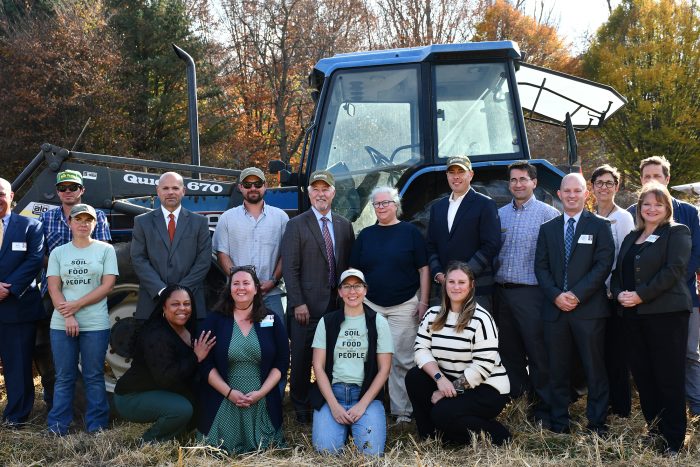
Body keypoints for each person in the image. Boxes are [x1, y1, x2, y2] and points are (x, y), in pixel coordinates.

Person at [612, 182, 692, 454]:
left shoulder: (677, 232)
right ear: (639, 207)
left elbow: (673, 271)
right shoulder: (631, 237)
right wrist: (619, 293)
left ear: (667, 206)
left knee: (667, 376)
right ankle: (655, 430)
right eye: (646, 203)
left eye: (658, 203)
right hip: (633, 317)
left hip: (667, 316)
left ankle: (673, 439)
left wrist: (640, 295)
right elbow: (618, 271)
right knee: (644, 377)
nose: (652, 208)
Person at [534, 173, 615, 435]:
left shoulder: (601, 226)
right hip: (555, 310)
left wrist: (577, 295)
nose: (571, 195)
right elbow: (541, 267)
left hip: (589, 311)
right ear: (559, 194)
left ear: (586, 194)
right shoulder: (548, 229)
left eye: (576, 191)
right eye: (566, 191)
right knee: (557, 369)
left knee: (594, 369)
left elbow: (603, 265)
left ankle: (597, 424)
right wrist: (557, 295)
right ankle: (559, 422)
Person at [406, 261, 511, 446]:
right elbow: (420, 349)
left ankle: (496, 434)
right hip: (449, 381)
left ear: (471, 286)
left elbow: (482, 369)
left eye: (461, 282)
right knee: (414, 377)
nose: (456, 287)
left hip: (486, 389)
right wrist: (439, 378)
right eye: (451, 281)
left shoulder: (482, 319)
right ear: (444, 284)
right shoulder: (432, 315)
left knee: (442, 412)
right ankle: (432, 437)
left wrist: (448, 391)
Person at [349, 186, 429, 424]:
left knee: (401, 359)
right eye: (377, 204)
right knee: (368, 357)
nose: (382, 207)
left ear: (396, 205)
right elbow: (354, 272)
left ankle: (401, 412)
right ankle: (371, 407)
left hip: (404, 305)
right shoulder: (365, 235)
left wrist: (423, 300)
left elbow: (423, 268)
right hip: (371, 305)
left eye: (386, 203)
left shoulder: (410, 233)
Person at [627, 156, 700, 416]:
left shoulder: (687, 214)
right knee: (652, 364)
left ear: (667, 179)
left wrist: (666, 286)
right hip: (642, 304)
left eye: (657, 176)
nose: (652, 181)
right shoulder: (633, 217)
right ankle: (657, 418)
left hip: (680, 297)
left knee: (688, 355)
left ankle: (696, 407)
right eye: (646, 177)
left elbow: (692, 258)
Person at [281, 170, 354, 423]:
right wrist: (297, 302)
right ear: (309, 193)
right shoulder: (296, 225)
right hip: (306, 308)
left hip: (336, 307)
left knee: (333, 360)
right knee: (301, 360)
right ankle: (301, 408)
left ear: (333, 193)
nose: (321, 194)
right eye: (316, 189)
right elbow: (290, 269)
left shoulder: (345, 225)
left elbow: (347, 267)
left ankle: (325, 403)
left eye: (326, 189)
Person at [37, 169, 112, 410]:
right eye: (63, 188)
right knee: (57, 361)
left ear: (82, 190)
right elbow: (40, 254)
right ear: (57, 192)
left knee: (92, 371)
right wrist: (60, 269)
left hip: (90, 298)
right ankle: (54, 408)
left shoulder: (97, 216)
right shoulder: (47, 218)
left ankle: (95, 419)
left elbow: (103, 260)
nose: (68, 192)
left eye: (73, 187)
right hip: (55, 292)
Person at [212, 166, 289, 396]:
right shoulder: (228, 219)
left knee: (276, 344)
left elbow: (287, 254)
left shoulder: (280, 218)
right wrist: (240, 283)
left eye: (258, 184)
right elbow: (221, 253)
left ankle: (275, 394)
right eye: (248, 184)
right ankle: (236, 390)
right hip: (237, 297)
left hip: (271, 294)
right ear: (240, 188)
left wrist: (274, 280)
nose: (253, 188)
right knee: (234, 344)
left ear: (266, 186)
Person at [493, 161, 559, 426]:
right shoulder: (499, 215)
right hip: (502, 293)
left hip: (532, 294)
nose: (518, 184)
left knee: (538, 353)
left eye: (523, 179)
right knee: (509, 353)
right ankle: (519, 405)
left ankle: (543, 410)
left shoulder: (548, 215)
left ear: (534, 182)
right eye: (513, 180)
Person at [198, 266, 289, 454]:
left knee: (267, 449)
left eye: (246, 283)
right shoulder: (214, 320)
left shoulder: (271, 319)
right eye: (236, 283)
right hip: (225, 396)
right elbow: (205, 363)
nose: (241, 288)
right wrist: (229, 392)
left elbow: (282, 362)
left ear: (256, 288)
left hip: (261, 399)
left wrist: (261, 393)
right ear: (229, 289)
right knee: (216, 450)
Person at [46, 204, 118, 435]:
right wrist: (68, 315)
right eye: (78, 219)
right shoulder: (59, 253)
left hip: (95, 323)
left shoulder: (106, 250)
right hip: (62, 324)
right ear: (70, 223)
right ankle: (58, 426)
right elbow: (54, 288)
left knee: (94, 375)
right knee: (64, 376)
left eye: (88, 219)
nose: (83, 223)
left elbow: (108, 285)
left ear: (95, 224)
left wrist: (77, 305)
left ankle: (97, 425)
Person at [113, 285, 216, 443]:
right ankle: (147, 443)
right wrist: (196, 357)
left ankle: (177, 436)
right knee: (182, 410)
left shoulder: (188, 328)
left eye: (187, 304)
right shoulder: (156, 335)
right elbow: (166, 378)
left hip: (161, 391)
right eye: (175, 304)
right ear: (163, 307)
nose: (182, 308)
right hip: (132, 396)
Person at [310, 268, 393, 455]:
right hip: (333, 394)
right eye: (346, 286)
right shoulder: (327, 321)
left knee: (370, 453)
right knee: (326, 452)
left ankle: (354, 426)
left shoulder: (378, 322)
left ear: (365, 290)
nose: (352, 291)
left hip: (365, 396)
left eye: (357, 286)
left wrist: (362, 405)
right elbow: (318, 366)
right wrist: (333, 406)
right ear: (339, 292)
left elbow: (384, 369)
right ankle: (340, 428)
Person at [131, 171, 211, 320]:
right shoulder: (142, 222)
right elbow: (138, 259)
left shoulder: (199, 222)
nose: (170, 192)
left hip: (190, 303)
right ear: (158, 191)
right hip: (152, 303)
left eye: (175, 188)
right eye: (165, 188)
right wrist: (161, 290)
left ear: (183, 191)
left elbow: (204, 260)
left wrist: (181, 292)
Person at [590, 165, 635, 418]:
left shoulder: (624, 218)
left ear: (616, 187)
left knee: (617, 355)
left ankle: (621, 409)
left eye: (609, 183)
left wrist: (614, 290)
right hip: (594, 295)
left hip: (615, 295)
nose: (604, 187)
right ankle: (604, 402)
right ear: (593, 187)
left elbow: (624, 259)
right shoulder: (589, 216)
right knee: (600, 354)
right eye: (599, 182)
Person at [426, 155, 500, 310]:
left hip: (476, 288)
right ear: (447, 175)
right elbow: (431, 245)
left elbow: (491, 244)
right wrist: (438, 273)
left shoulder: (485, 204)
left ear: (471, 174)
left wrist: (464, 275)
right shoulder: (437, 208)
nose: (456, 176)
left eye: (461, 171)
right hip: (444, 289)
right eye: (451, 172)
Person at [0, 177, 44, 428]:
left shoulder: (30, 225)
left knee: (17, 366)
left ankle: (16, 417)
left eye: (1, 193)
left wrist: (9, 289)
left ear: (12, 195)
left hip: (18, 307)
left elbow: (34, 260)